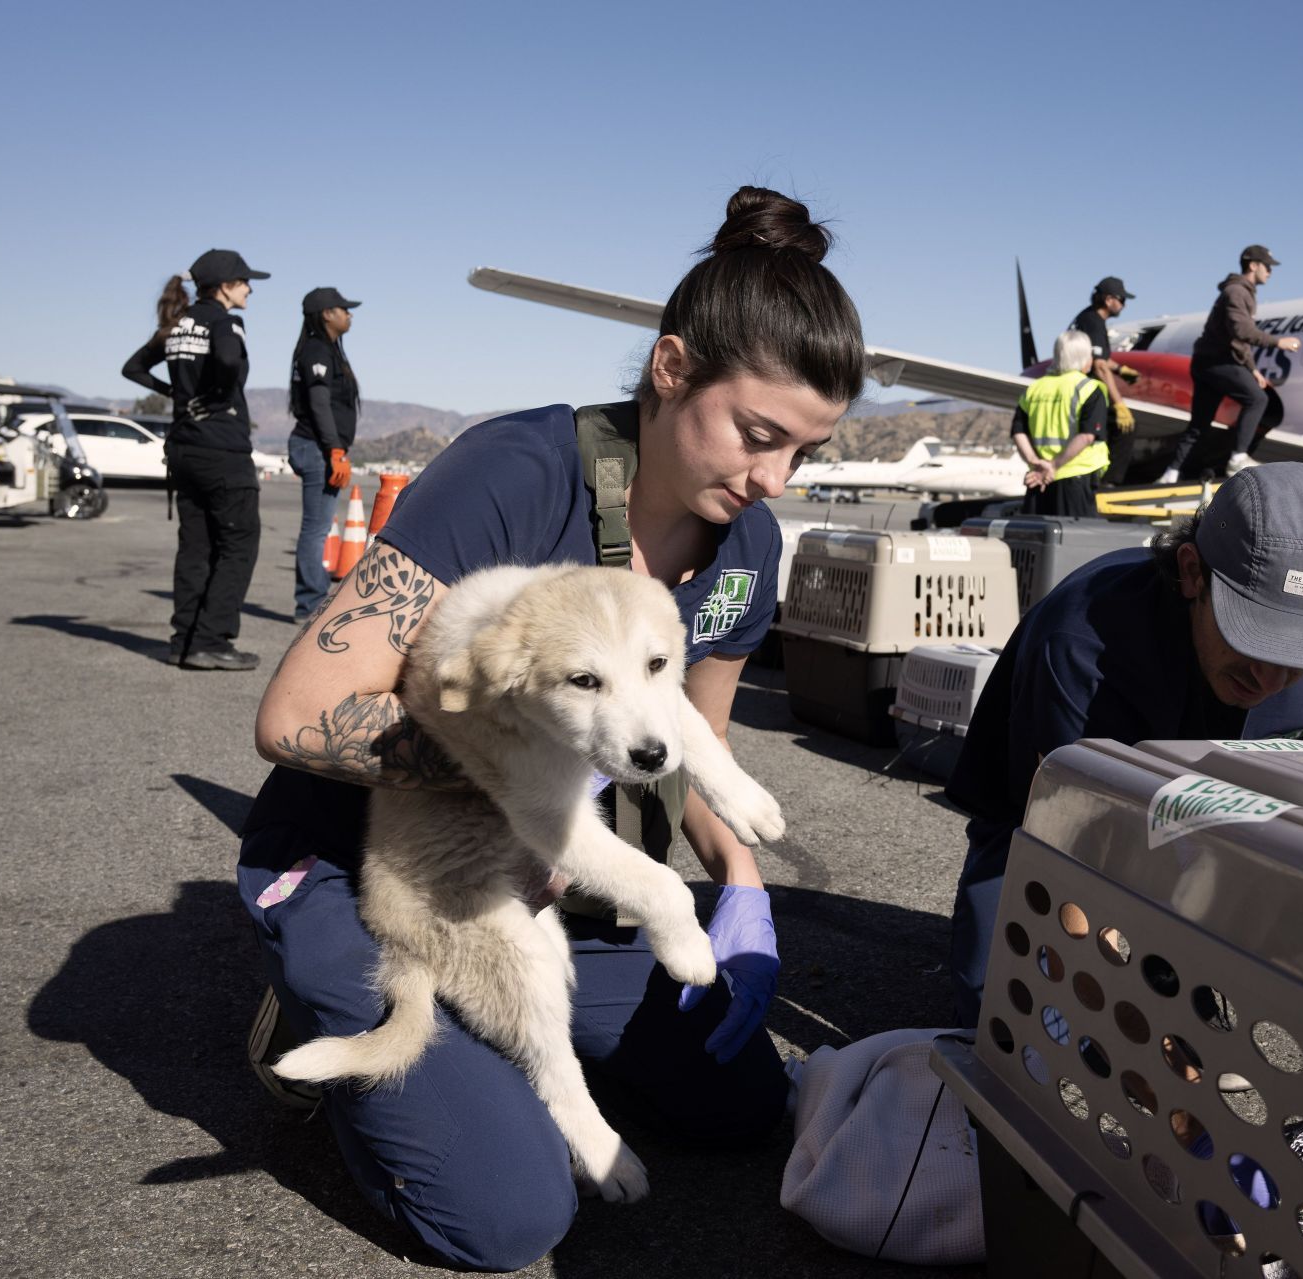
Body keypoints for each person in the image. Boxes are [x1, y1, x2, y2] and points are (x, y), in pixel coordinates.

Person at [237, 187, 864, 1271]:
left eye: (801, 453)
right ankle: (322, 1001)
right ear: (671, 369)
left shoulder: (748, 547)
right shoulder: (518, 474)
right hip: (375, 863)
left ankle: (502, 1041)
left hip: (547, 874)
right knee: (512, 1217)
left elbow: (693, 746)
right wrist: (519, 779)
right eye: (757, 436)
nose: (772, 480)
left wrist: (744, 891)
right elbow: (293, 717)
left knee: (735, 1105)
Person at [943, 463, 1303, 1025]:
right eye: (1255, 639)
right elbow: (1065, 847)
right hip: (1055, 835)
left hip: (1259, 841)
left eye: (1302, 656)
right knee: (1007, 1018)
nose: (1268, 679)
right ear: (1192, 573)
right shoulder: (1083, 642)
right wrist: (1148, 1039)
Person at [123, 249, 269, 670]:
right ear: (224, 286)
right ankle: (211, 641)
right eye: (244, 282)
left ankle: (183, 640)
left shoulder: (177, 324)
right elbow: (225, 359)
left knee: (195, 547)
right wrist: (218, 396)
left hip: (183, 447)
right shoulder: (225, 321)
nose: (249, 288)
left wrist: (178, 396)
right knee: (238, 545)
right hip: (221, 448)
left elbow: (133, 368)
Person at [1159, 246, 1300, 484]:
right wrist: (1278, 342)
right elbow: (1241, 331)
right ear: (1253, 265)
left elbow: (1238, 341)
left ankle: (1170, 474)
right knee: (1257, 399)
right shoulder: (1237, 292)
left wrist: (1252, 369)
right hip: (1217, 362)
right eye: (1267, 266)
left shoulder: (1240, 292)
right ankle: (1238, 458)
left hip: (1207, 363)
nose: (1270, 272)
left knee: (1199, 425)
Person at [287, 287, 363, 620]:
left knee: (317, 527)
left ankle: (313, 599)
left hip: (322, 448)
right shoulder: (317, 350)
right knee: (316, 529)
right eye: (343, 309)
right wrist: (334, 449)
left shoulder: (328, 350)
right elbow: (319, 404)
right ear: (326, 314)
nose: (349, 314)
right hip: (316, 448)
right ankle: (310, 603)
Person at [1011, 329, 1110, 517]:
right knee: (1076, 542)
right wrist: (1054, 466)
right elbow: (1087, 436)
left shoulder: (1034, 389)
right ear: (1083, 357)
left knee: (1037, 539)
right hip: (1075, 476)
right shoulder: (1089, 388)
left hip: (1038, 478)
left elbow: (1018, 432)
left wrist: (1036, 463)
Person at [1066, 276, 1139, 484]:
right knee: (1126, 427)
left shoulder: (1087, 318)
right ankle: (1109, 482)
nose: (1124, 305)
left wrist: (1121, 369)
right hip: (1085, 390)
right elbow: (1098, 366)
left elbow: (1101, 359)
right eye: (1122, 300)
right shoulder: (1095, 322)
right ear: (1108, 300)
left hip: (1074, 388)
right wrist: (1119, 404)